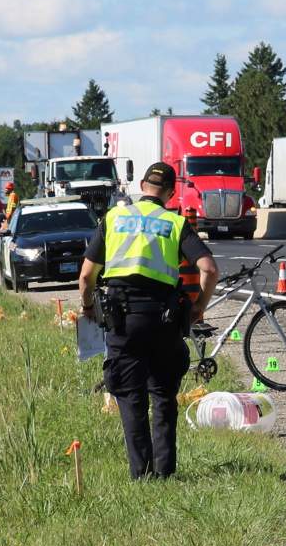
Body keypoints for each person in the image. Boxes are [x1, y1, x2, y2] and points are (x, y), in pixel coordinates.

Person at [78, 162, 219, 479]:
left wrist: (88, 307)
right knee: (164, 395)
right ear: (170, 192)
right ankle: (166, 472)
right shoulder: (174, 222)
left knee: (130, 396)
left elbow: (87, 275)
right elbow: (209, 269)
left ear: (142, 185)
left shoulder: (113, 218)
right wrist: (198, 307)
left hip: (123, 319)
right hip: (164, 319)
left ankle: (142, 475)